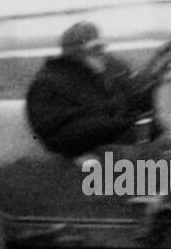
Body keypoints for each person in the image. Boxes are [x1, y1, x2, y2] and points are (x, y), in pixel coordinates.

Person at [26, 21, 152, 156]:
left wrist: (147, 90)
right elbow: (59, 132)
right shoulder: (47, 84)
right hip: (82, 156)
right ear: (75, 53)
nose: (102, 53)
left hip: (118, 147)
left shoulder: (105, 73)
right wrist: (123, 123)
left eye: (101, 47)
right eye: (95, 49)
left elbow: (131, 102)